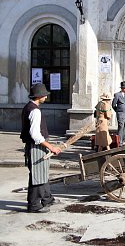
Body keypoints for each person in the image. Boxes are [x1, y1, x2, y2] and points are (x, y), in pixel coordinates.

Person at [20, 83, 62, 213]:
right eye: (44, 95)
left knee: (42, 174)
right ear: (39, 96)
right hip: (35, 147)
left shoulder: (28, 107)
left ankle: (47, 198)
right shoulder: (35, 111)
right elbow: (35, 135)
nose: (46, 96)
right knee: (37, 176)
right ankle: (34, 205)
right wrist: (52, 147)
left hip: (34, 146)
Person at [112, 81, 125, 145]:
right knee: (121, 127)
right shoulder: (117, 95)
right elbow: (113, 105)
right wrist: (118, 111)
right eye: (123, 88)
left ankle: (123, 140)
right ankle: (119, 142)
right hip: (120, 114)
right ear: (121, 88)